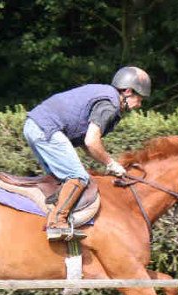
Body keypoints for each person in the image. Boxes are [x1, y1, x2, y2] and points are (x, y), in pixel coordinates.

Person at [23, 66, 151, 241]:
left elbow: (85, 143)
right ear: (127, 91)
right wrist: (110, 163)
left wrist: (107, 163)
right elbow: (92, 141)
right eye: (139, 98)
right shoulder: (110, 104)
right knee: (79, 177)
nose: (139, 105)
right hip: (46, 128)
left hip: (35, 125)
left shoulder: (105, 96)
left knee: (60, 181)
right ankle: (57, 224)